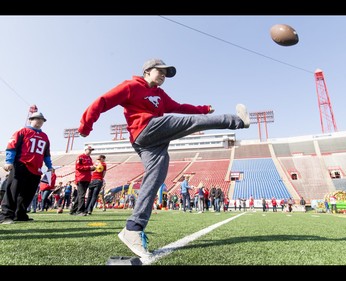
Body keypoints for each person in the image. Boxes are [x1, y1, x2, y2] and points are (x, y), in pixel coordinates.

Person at [77, 58, 250, 258]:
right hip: (144, 130)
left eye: (166, 74)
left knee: (156, 177)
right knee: (186, 122)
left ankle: (133, 228)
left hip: (154, 142)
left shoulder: (160, 95)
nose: (163, 76)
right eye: (160, 71)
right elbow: (103, 101)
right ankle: (237, 122)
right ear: (147, 71)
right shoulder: (131, 86)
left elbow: (179, 107)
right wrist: (85, 126)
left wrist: (202, 109)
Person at [0, 112, 53, 224]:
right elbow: (11, 146)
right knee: (13, 190)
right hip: (21, 164)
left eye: (41, 119)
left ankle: (20, 214)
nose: (39, 121)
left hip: (36, 168)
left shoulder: (45, 136)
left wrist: (49, 166)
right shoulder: (22, 131)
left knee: (28, 193)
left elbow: (46, 153)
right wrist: (9, 161)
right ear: (31, 120)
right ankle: (5, 215)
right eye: (37, 119)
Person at [70, 145, 96, 216]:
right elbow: (78, 167)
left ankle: (73, 210)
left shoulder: (90, 158)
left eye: (91, 150)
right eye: (89, 150)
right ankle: (80, 211)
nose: (90, 151)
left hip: (87, 178)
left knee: (80, 195)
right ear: (85, 150)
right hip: (81, 178)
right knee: (82, 195)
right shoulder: (81, 157)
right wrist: (89, 167)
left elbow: (90, 168)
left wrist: (93, 168)